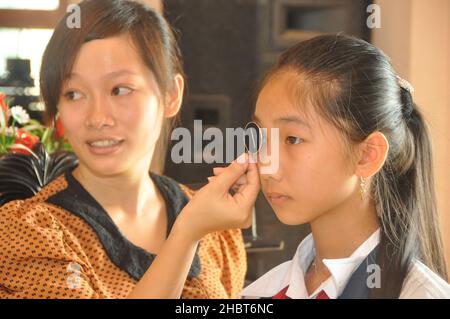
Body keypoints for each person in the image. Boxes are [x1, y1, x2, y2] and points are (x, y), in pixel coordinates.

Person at [0, 0, 260, 299]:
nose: (97, 118)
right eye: (73, 94)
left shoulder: (218, 232)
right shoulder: (29, 233)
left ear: (171, 95)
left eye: (119, 90)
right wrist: (186, 233)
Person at [218, 34, 450, 298]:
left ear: (367, 155)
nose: (267, 166)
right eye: (261, 137)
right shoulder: (260, 293)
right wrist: (190, 231)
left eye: (293, 139)